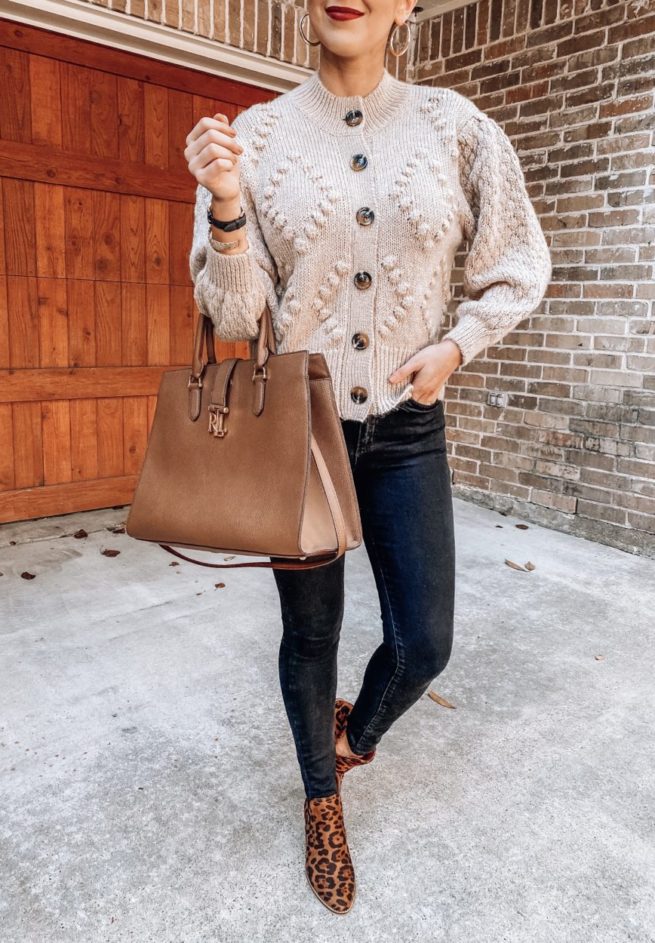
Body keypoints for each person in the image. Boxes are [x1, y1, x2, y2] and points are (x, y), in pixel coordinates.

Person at [184, 0, 552, 915]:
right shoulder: (254, 137)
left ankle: (355, 734)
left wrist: (458, 344)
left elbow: (518, 263)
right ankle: (320, 795)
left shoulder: (455, 127)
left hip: (405, 425)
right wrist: (227, 205)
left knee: (424, 640)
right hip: (295, 432)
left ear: (406, 7)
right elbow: (234, 319)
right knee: (310, 634)